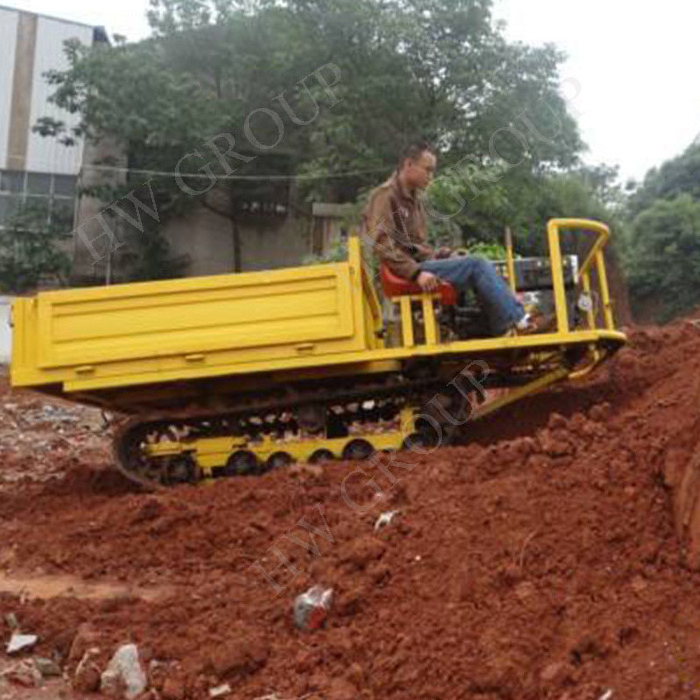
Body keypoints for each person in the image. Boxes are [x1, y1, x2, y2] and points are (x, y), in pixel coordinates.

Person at [362, 142, 539, 337]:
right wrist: (415, 273)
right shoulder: (385, 196)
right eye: (427, 170)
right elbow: (382, 244)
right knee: (476, 265)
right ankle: (518, 322)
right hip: (404, 272)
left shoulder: (414, 201)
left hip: (416, 266)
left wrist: (445, 255)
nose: (431, 176)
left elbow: (417, 248)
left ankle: (498, 329)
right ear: (408, 164)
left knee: (477, 265)